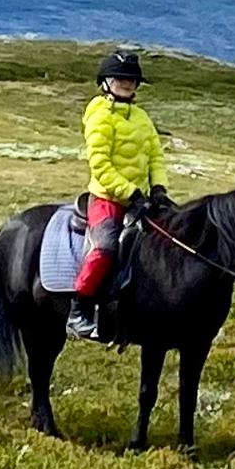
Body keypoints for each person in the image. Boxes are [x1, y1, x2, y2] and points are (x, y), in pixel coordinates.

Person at [71, 46, 166, 341]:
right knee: (104, 250)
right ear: (105, 82)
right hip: (107, 199)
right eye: (119, 78)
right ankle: (79, 311)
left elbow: (155, 157)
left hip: (142, 199)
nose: (126, 83)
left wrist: (159, 187)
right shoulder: (99, 116)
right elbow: (100, 165)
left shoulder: (142, 118)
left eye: (130, 80)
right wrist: (130, 192)